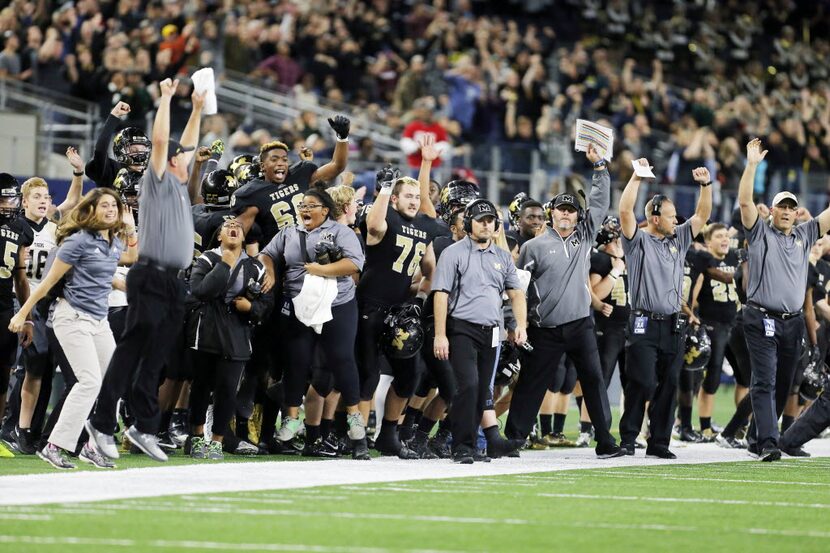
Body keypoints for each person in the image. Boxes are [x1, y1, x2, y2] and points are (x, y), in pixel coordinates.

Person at [85, 78, 204, 463]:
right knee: (133, 350)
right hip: (150, 275)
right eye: (179, 157)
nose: (186, 158)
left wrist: (198, 109)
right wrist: (167, 100)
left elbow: (184, 143)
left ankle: (143, 426)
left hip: (172, 281)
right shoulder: (155, 180)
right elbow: (161, 142)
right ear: (168, 162)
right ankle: (102, 423)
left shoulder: (177, 183)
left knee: (156, 358)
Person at [504, 145, 622, 459]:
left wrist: (599, 168)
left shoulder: (585, 236)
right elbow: (519, 290)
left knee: (594, 381)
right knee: (531, 382)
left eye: (571, 210)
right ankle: (514, 439)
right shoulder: (534, 247)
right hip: (545, 328)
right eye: (561, 209)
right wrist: (518, 324)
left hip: (580, 323)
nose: (567, 213)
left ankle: (605, 441)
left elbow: (600, 202)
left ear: (577, 215)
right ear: (551, 213)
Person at [9, 188, 138, 469]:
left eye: (114, 206)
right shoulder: (76, 242)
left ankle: (93, 445)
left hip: (99, 320)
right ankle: (54, 445)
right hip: (71, 318)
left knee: (113, 381)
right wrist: (22, 314)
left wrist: (130, 231)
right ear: (90, 210)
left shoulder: (113, 242)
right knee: (89, 382)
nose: (111, 210)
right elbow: (45, 283)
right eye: (104, 205)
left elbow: (126, 260)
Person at [737, 138, 830, 461]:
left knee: (782, 382)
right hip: (762, 316)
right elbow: (745, 202)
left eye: (792, 208)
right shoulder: (760, 233)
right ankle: (767, 443)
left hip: (792, 322)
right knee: (764, 380)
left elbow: (828, 217)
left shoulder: (805, 235)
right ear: (773, 211)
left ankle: (754, 436)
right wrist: (751, 166)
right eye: (783, 208)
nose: (788, 212)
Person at [259, 187, 370, 459]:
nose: (305, 210)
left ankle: (355, 416)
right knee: (297, 359)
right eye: (303, 205)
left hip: (336, 303)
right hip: (300, 301)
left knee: (341, 357)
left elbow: (355, 264)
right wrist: (271, 272)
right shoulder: (289, 231)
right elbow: (266, 253)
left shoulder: (341, 231)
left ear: (325, 210)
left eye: (311, 205)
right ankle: (292, 417)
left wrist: (321, 270)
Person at [617, 161, 712, 459]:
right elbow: (624, 212)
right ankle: (629, 439)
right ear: (655, 218)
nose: (676, 221)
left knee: (669, 384)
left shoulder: (679, 240)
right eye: (670, 217)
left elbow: (702, 216)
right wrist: (635, 178)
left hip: (673, 323)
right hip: (644, 322)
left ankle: (659, 443)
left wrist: (706, 186)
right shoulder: (638, 242)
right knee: (642, 381)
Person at [432, 198, 527, 463]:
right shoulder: (454, 253)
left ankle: (472, 445)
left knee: (482, 388)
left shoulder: (503, 257)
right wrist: (440, 334)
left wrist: (521, 324)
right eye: (481, 221)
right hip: (461, 327)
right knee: (469, 385)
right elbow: (441, 294)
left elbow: (516, 293)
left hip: (492, 331)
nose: (486, 225)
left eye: (490, 221)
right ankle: (461, 445)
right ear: (468, 225)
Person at [4, 148, 84, 455]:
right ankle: (16, 427)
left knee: (44, 368)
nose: (42, 200)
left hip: (46, 304)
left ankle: (31, 430)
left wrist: (77, 173)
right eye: (36, 195)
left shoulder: (53, 224)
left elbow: (73, 200)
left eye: (46, 195)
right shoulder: (13, 226)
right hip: (18, 301)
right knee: (29, 366)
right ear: (23, 201)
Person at [356, 172, 435, 458]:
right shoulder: (384, 214)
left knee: (408, 376)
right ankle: (356, 437)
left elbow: (430, 270)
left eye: (417, 197)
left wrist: (419, 298)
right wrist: (386, 189)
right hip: (369, 305)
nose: (414, 201)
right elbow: (374, 226)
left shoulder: (425, 226)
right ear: (396, 199)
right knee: (367, 374)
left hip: (399, 311)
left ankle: (388, 435)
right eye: (408, 196)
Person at [185, 218, 272, 460]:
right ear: (220, 236)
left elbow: (266, 304)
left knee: (227, 391)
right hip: (207, 331)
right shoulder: (207, 259)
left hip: (237, 333)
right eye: (227, 227)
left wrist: (250, 308)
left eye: (238, 227)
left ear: (244, 238)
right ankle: (196, 436)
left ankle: (217, 440)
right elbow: (201, 291)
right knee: (201, 387)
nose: (233, 228)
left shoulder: (256, 267)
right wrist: (225, 264)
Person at [691, 223, 741, 441]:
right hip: (712, 324)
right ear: (708, 241)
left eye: (725, 236)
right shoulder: (704, 262)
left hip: (736, 324)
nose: (724, 240)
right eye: (718, 236)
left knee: (745, 376)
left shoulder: (736, 257)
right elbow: (692, 296)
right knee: (711, 377)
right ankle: (705, 426)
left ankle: (742, 423)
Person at [0, 174, 33, 443]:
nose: (7, 204)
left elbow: (20, 277)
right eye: (2, 198)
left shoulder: (22, 229)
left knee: (2, 373)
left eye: (10, 198)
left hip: (3, 307)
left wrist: (28, 318)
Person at [84, 102, 151, 189]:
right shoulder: (111, 170)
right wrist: (114, 116)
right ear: (121, 152)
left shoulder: (150, 180)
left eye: (143, 151)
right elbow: (100, 151)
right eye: (134, 151)